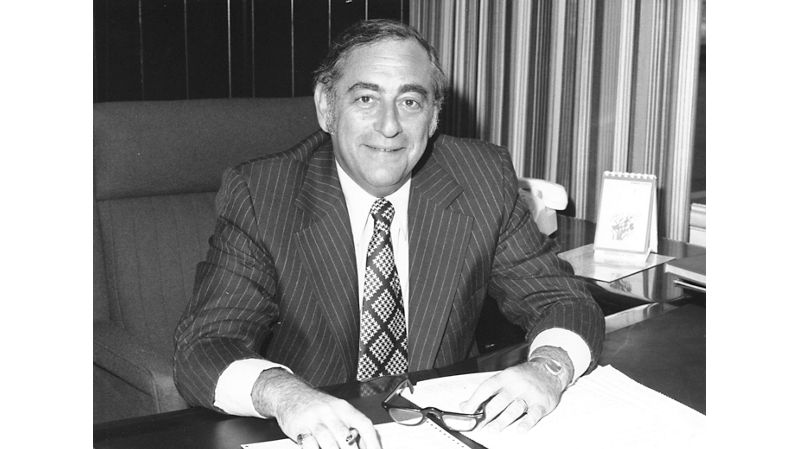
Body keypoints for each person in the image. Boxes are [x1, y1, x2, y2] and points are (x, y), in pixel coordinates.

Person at [174, 19, 604, 449]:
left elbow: (562, 299)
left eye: (411, 102)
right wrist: (285, 395)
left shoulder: (482, 178)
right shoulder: (264, 194)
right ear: (327, 107)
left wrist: (548, 368)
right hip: (314, 430)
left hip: (444, 431)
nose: (390, 126)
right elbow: (206, 344)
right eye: (365, 98)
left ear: (434, 116)